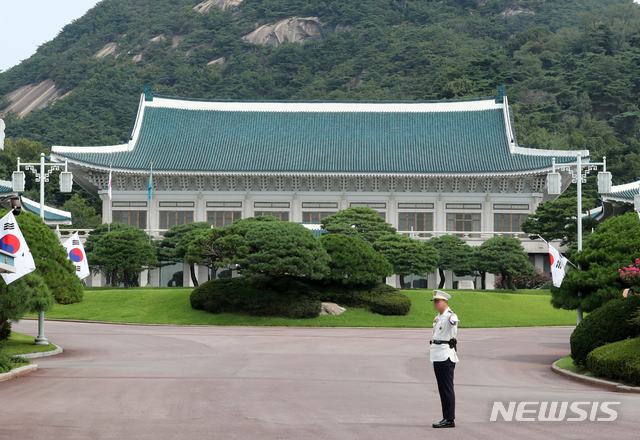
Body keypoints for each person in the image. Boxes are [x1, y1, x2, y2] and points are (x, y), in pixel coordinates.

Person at [429, 289, 459, 428]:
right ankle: (446, 417)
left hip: (445, 355)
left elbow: (453, 321)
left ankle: (449, 419)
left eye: (437, 301)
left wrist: (453, 319)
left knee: (446, 388)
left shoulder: (449, 316)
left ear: (445, 302)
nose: (435, 304)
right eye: (434, 301)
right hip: (437, 355)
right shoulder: (438, 317)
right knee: (442, 388)